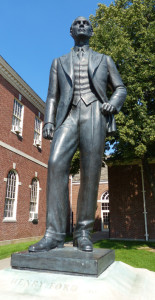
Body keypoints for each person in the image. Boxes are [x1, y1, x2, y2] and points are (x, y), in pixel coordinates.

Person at [29, 16, 127, 253]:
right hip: (69, 115)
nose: (82, 25)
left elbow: (120, 88)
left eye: (86, 23)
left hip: (94, 112)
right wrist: (49, 121)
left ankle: (83, 232)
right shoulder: (58, 62)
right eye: (77, 23)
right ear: (70, 31)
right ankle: (53, 234)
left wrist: (113, 104)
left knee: (91, 171)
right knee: (55, 163)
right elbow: (52, 95)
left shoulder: (104, 60)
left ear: (91, 31)